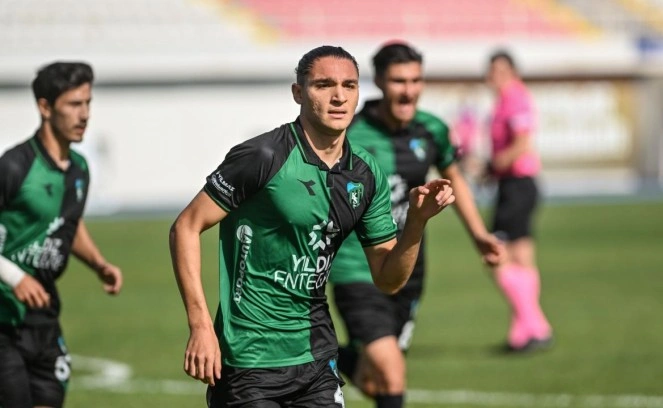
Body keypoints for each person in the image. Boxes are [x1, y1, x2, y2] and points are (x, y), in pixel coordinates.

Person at [169, 45, 456, 408]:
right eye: (324, 85)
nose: (339, 97)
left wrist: (415, 223)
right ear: (298, 93)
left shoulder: (366, 173)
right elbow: (186, 227)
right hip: (248, 360)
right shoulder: (263, 156)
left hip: (317, 358)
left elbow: (388, 279)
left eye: (349, 86)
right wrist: (200, 326)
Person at [328, 42, 504, 408]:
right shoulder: (350, 133)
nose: (408, 90)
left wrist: (479, 235)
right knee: (392, 372)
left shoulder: (431, 129)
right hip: (358, 267)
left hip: (409, 267)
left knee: (375, 380)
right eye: (398, 81)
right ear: (379, 81)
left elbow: (455, 179)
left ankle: (323, 357)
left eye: (415, 80)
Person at [0, 61, 123, 407]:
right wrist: (15, 278)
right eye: (73, 104)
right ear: (45, 107)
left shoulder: (80, 169)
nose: (84, 114)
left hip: (44, 316)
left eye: (88, 103)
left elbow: (68, 223)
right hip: (4, 317)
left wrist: (98, 263)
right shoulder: (15, 166)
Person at [484, 50, 552, 352]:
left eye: (500, 71)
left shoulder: (516, 98)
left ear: (513, 73)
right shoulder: (503, 101)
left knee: (496, 256)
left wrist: (494, 164)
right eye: (492, 71)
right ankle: (522, 332)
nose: (494, 77)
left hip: (518, 185)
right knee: (521, 259)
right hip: (511, 184)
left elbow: (522, 143)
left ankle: (536, 325)